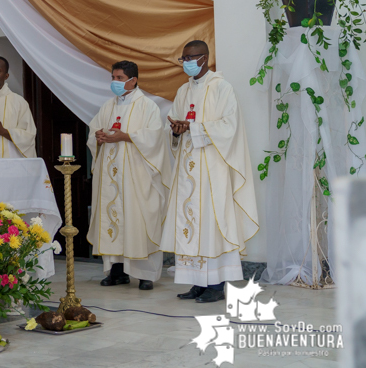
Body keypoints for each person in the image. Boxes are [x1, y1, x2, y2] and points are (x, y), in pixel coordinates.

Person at [160, 40, 259, 303]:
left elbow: (230, 126)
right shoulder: (183, 91)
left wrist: (194, 128)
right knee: (190, 222)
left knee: (212, 223)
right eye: (183, 59)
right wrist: (177, 130)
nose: (187, 63)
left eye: (191, 58)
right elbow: (177, 121)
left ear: (205, 58)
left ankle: (216, 284)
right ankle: (197, 282)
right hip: (188, 170)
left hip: (212, 168)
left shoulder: (222, 88)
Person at [86, 61, 171, 290]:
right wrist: (99, 137)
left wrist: (124, 137)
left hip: (137, 175)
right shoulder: (108, 106)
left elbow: (155, 138)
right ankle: (116, 271)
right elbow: (95, 131)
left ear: (133, 80)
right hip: (111, 174)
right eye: (113, 77)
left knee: (138, 220)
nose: (115, 82)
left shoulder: (147, 107)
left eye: (120, 78)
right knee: (113, 217)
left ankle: (145, 275)